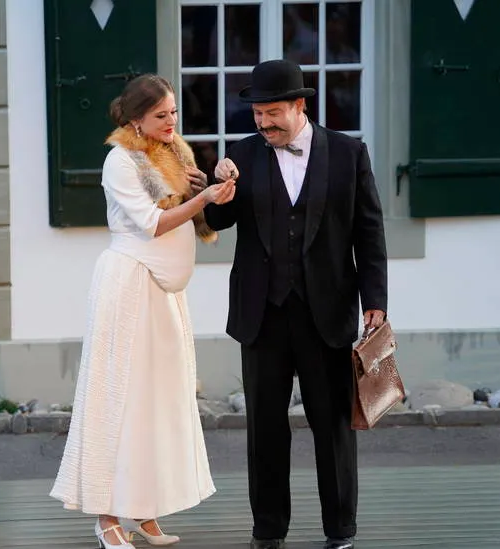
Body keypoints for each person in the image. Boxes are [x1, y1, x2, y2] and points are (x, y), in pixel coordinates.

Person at [204, 59, 388, 549]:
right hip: (260, 314)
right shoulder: (241, 155)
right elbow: (218, 224)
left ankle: (340, 531)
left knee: (333, 427)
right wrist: (218, 189)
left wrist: (375, 300)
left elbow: (369, 231)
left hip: (326, 311)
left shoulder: (349, 153)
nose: (263, 123)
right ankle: (268, 531)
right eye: (257, 114)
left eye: (272, 113)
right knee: (265, 429)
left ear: (299, 106)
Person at [50, 74, 236, 549]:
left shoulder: (174, 153)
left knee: (159, 399)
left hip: (165, 293)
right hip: (130, 286)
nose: (171, 121)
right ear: (136, 119)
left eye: (174, 112)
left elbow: (195, 215)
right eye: (160, 115)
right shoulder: (120, 160)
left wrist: (213, 189)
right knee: (121, 399)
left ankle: (143, 506)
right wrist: (202, 198)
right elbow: (152, 224)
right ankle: (106, 516)